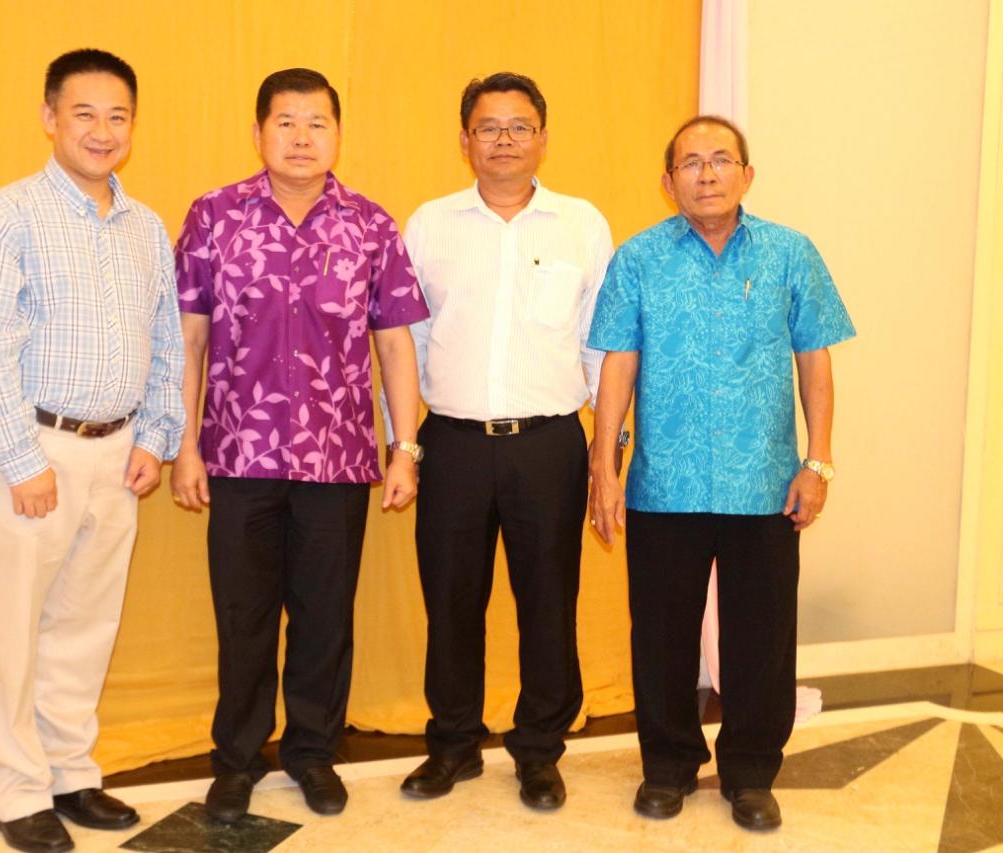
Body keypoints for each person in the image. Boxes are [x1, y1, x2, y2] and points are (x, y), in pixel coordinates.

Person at [170, 68, 428, 822]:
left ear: (338, 134)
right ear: (258, 133)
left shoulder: (370, 225)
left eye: (317, 122)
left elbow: (395, 345)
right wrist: (184, 444)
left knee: (324, 615)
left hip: (336, 458)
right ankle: (237, 759)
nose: (302, 137)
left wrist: (405, 447)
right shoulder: (214, 216)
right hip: (237, 453)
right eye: (286, 122)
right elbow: (188, 340)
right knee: (242, 614)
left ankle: (313, 753)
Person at [588, 115, 855, 831]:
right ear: (667, 180)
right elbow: (617, 365)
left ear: (747, 174)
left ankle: (750, 771)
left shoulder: (790, 253)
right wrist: (604, 468)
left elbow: (815, 362)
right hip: (663, 483)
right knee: (661, 637)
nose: (706, 174)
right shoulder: (639, 258)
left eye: (721, 160)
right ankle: (668, 766)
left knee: (761, 640)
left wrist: (817, 462)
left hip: (764, 484)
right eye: (690, 163)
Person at [0, 48, 184, 853]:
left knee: (85, 626)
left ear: (133, 125)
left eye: (118, 115)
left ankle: (69, 774)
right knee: (12, 633)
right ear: (50, 117)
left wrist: (155, 436)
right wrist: (23, 462)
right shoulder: (6, 216)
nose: (102, 130)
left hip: (117, 455)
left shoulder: (145, 227)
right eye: (84, 113)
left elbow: (166, 342)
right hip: (32, 451)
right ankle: (14, 791)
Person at [397, 72, 613, 811]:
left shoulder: (581, 224)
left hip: (549, 444)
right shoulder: (430, 224)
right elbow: (408, 340)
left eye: (520, 126)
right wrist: (409, 441)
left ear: (543, 139)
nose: (505, 140)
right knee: (451, 601)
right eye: (489, 127)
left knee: (548, 602)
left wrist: (606, 450)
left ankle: (540, 750)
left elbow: (600, 344)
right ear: (465, 140)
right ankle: (453, 744)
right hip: (452, 443)